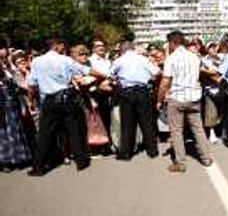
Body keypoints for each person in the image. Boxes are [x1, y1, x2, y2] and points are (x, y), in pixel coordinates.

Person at [26, 38, 108, 176]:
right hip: (67, 97)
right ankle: (81, 161)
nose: (63, 47)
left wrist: (30, 100)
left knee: (45, 134)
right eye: (62, 45)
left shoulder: (36, 62)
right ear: (56, 46)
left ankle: (38, 166)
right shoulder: (65, 60)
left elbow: (31, 85)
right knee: (74, 130)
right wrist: (103, 75)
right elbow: (86, 70)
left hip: (49, 100)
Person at [156, 31, 213, 173]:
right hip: (194, 97)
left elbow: (165, 82)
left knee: (176, 131)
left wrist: (159, 99)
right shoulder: (194, 57)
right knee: (198, 128)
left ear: (172, 42)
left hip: (177, 98)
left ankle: (181, 163)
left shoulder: (172, 58)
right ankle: (206, 158)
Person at [111, 41, 160, 161]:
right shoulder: (143, 59)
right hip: (143, 91)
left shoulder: (119, 60)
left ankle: (126, 153)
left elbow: (111, 74)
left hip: (127, 92)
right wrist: (149, 80)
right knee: (146, 122)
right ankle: (152, 151)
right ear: (133, 49)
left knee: (127, 123)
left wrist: (118, 80)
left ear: (122, 49)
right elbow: (157, 72)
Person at [0, 60, 32, 172]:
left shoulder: (8, 77)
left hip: (13, 110)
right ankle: (6, 162)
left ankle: (19, 159)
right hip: (2, 113)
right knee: (4, 138)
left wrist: (23, 106)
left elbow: (18, 93)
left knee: (16, 134)